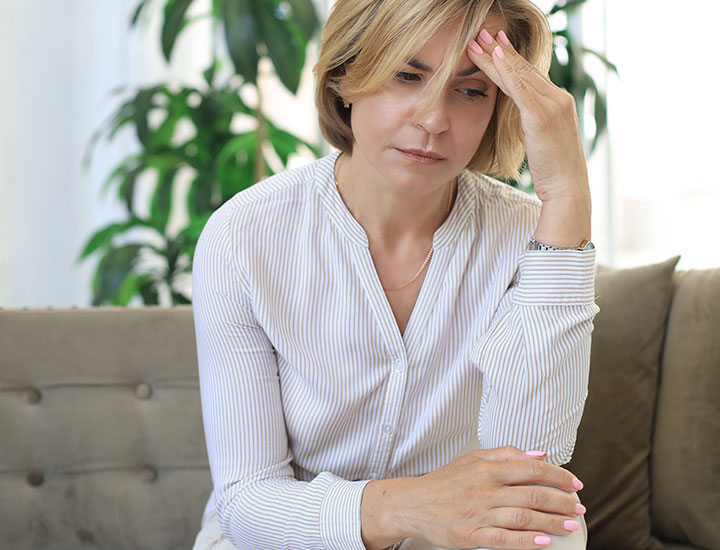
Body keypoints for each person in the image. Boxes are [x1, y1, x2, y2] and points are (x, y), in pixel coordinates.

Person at [191, 0, 599, 548]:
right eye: (407, 75)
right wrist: (412, 507)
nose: (433, 119)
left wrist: (567, 195)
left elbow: (524, 468)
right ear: (346, 76)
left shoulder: (533, 238)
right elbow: (249, 504)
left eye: (472, 89)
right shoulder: (245, 236)